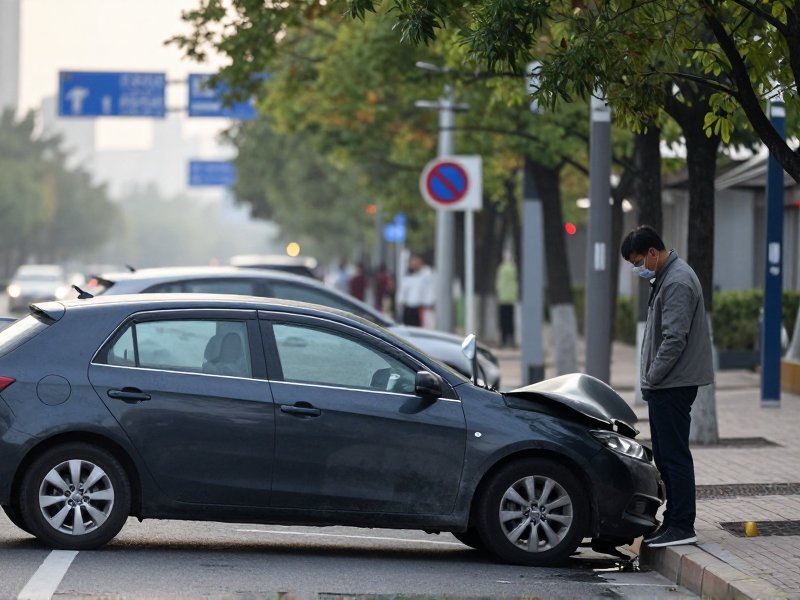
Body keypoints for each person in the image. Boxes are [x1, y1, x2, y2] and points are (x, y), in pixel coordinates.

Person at [620, 225, 714, 548]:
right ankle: (674, 520)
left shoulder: (677, 282)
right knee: (666, 453)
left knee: (673, 456)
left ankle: (682, 524)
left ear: (652, 253)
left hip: (673, 384)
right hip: (667, 384)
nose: (637, 268)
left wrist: (652, 377)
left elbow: (674, 339)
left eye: (637, 262)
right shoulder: (666, 277)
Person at [397, 253, 435, 327]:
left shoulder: (427, 274)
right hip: (408, 307)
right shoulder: (408, 275)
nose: (413, 263)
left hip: (420, 308)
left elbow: (430, 291)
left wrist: (429, 303)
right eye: (412, 261)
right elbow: (403, 291)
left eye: (415, 260)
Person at [495, 250, 519, 347]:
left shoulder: (501, 268)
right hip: (511, 299)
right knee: (510, 321)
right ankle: (511, 341)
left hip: (502, 299)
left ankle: (503, 341)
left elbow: (498, 283)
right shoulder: (513, 269)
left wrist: (499, 294)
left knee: (503, 321)